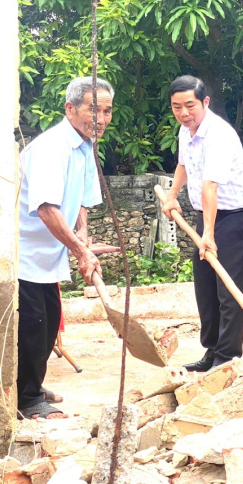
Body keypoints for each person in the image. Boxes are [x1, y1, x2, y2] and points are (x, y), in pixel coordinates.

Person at [17, 76, 114, 419]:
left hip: (50, 254)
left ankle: (29, 382)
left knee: (50, 321)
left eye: (107, 111)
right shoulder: (51, 148)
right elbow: (46, 208)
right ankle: (26, 399)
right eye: (93, 109)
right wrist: (81, 251)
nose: (100, 119)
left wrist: (83, 237)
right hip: (24, 253)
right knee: (32, 325)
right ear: (70, 109)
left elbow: (81, 204)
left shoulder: (86, 147)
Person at [162, 75, 243, 371]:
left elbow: (209, 187)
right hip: (208, 215)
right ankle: (212, 351)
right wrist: (172, 196)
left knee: (228, 290)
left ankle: (227, 358)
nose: (183, 113)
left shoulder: (218, 134)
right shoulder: (185, 130)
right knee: (205, 286)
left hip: (233, 218)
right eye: (177, 107)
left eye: (189, 105)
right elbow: (182, 165)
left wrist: (209, 235)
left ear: (205, 102)